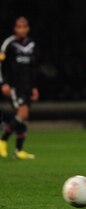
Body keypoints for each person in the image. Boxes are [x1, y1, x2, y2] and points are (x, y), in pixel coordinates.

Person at [0, 17, 39, 159]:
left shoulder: (32, 44)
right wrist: (3, 83)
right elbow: (1, 65)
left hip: (28, 85)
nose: (22, 29)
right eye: (19, 27)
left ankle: (19, 150)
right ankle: (3, 139)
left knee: (24, 116)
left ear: (27, 28)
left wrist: (34, 87)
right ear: (15, 29)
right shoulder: (9, 43)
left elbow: (33, 68)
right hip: (15, 85)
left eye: (24, 26)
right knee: (22, 113)